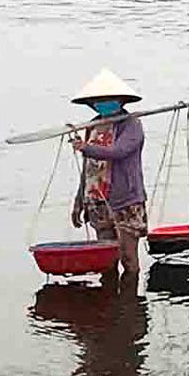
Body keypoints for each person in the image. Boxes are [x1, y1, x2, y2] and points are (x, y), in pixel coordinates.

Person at [68, 68, 147, 276]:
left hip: (125, 201)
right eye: (98, 100)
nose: (102, 103)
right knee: (106, 260)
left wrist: (85, 147)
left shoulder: (131, 125)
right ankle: (109, 301)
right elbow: (88, 168)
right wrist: (79, 201)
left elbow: (118, 151)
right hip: (97, 201)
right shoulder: (93, 126)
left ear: (120, 100)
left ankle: (130, 306)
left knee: (128, 259)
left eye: (108, 99)